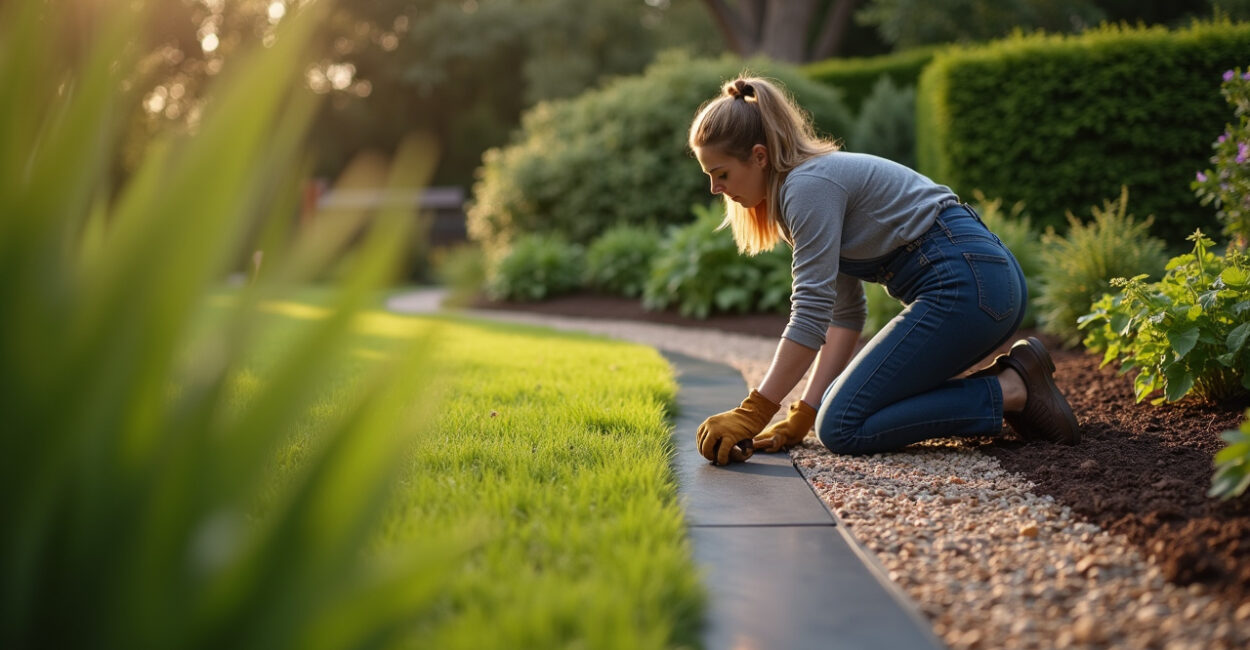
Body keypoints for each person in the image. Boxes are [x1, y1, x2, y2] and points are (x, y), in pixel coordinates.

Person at [689, 75, 1080, 466]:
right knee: (837, 413)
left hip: (969, 287)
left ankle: (1012, 390)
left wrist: (754, 411)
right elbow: (844, 314)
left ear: (759, 157)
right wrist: (804, 413)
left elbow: (809, 314)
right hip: (984, 282)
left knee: (842, 424)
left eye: (721, 174)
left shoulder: (806, 187)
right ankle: (1012, 385)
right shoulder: (807, 185)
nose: (715, 189)